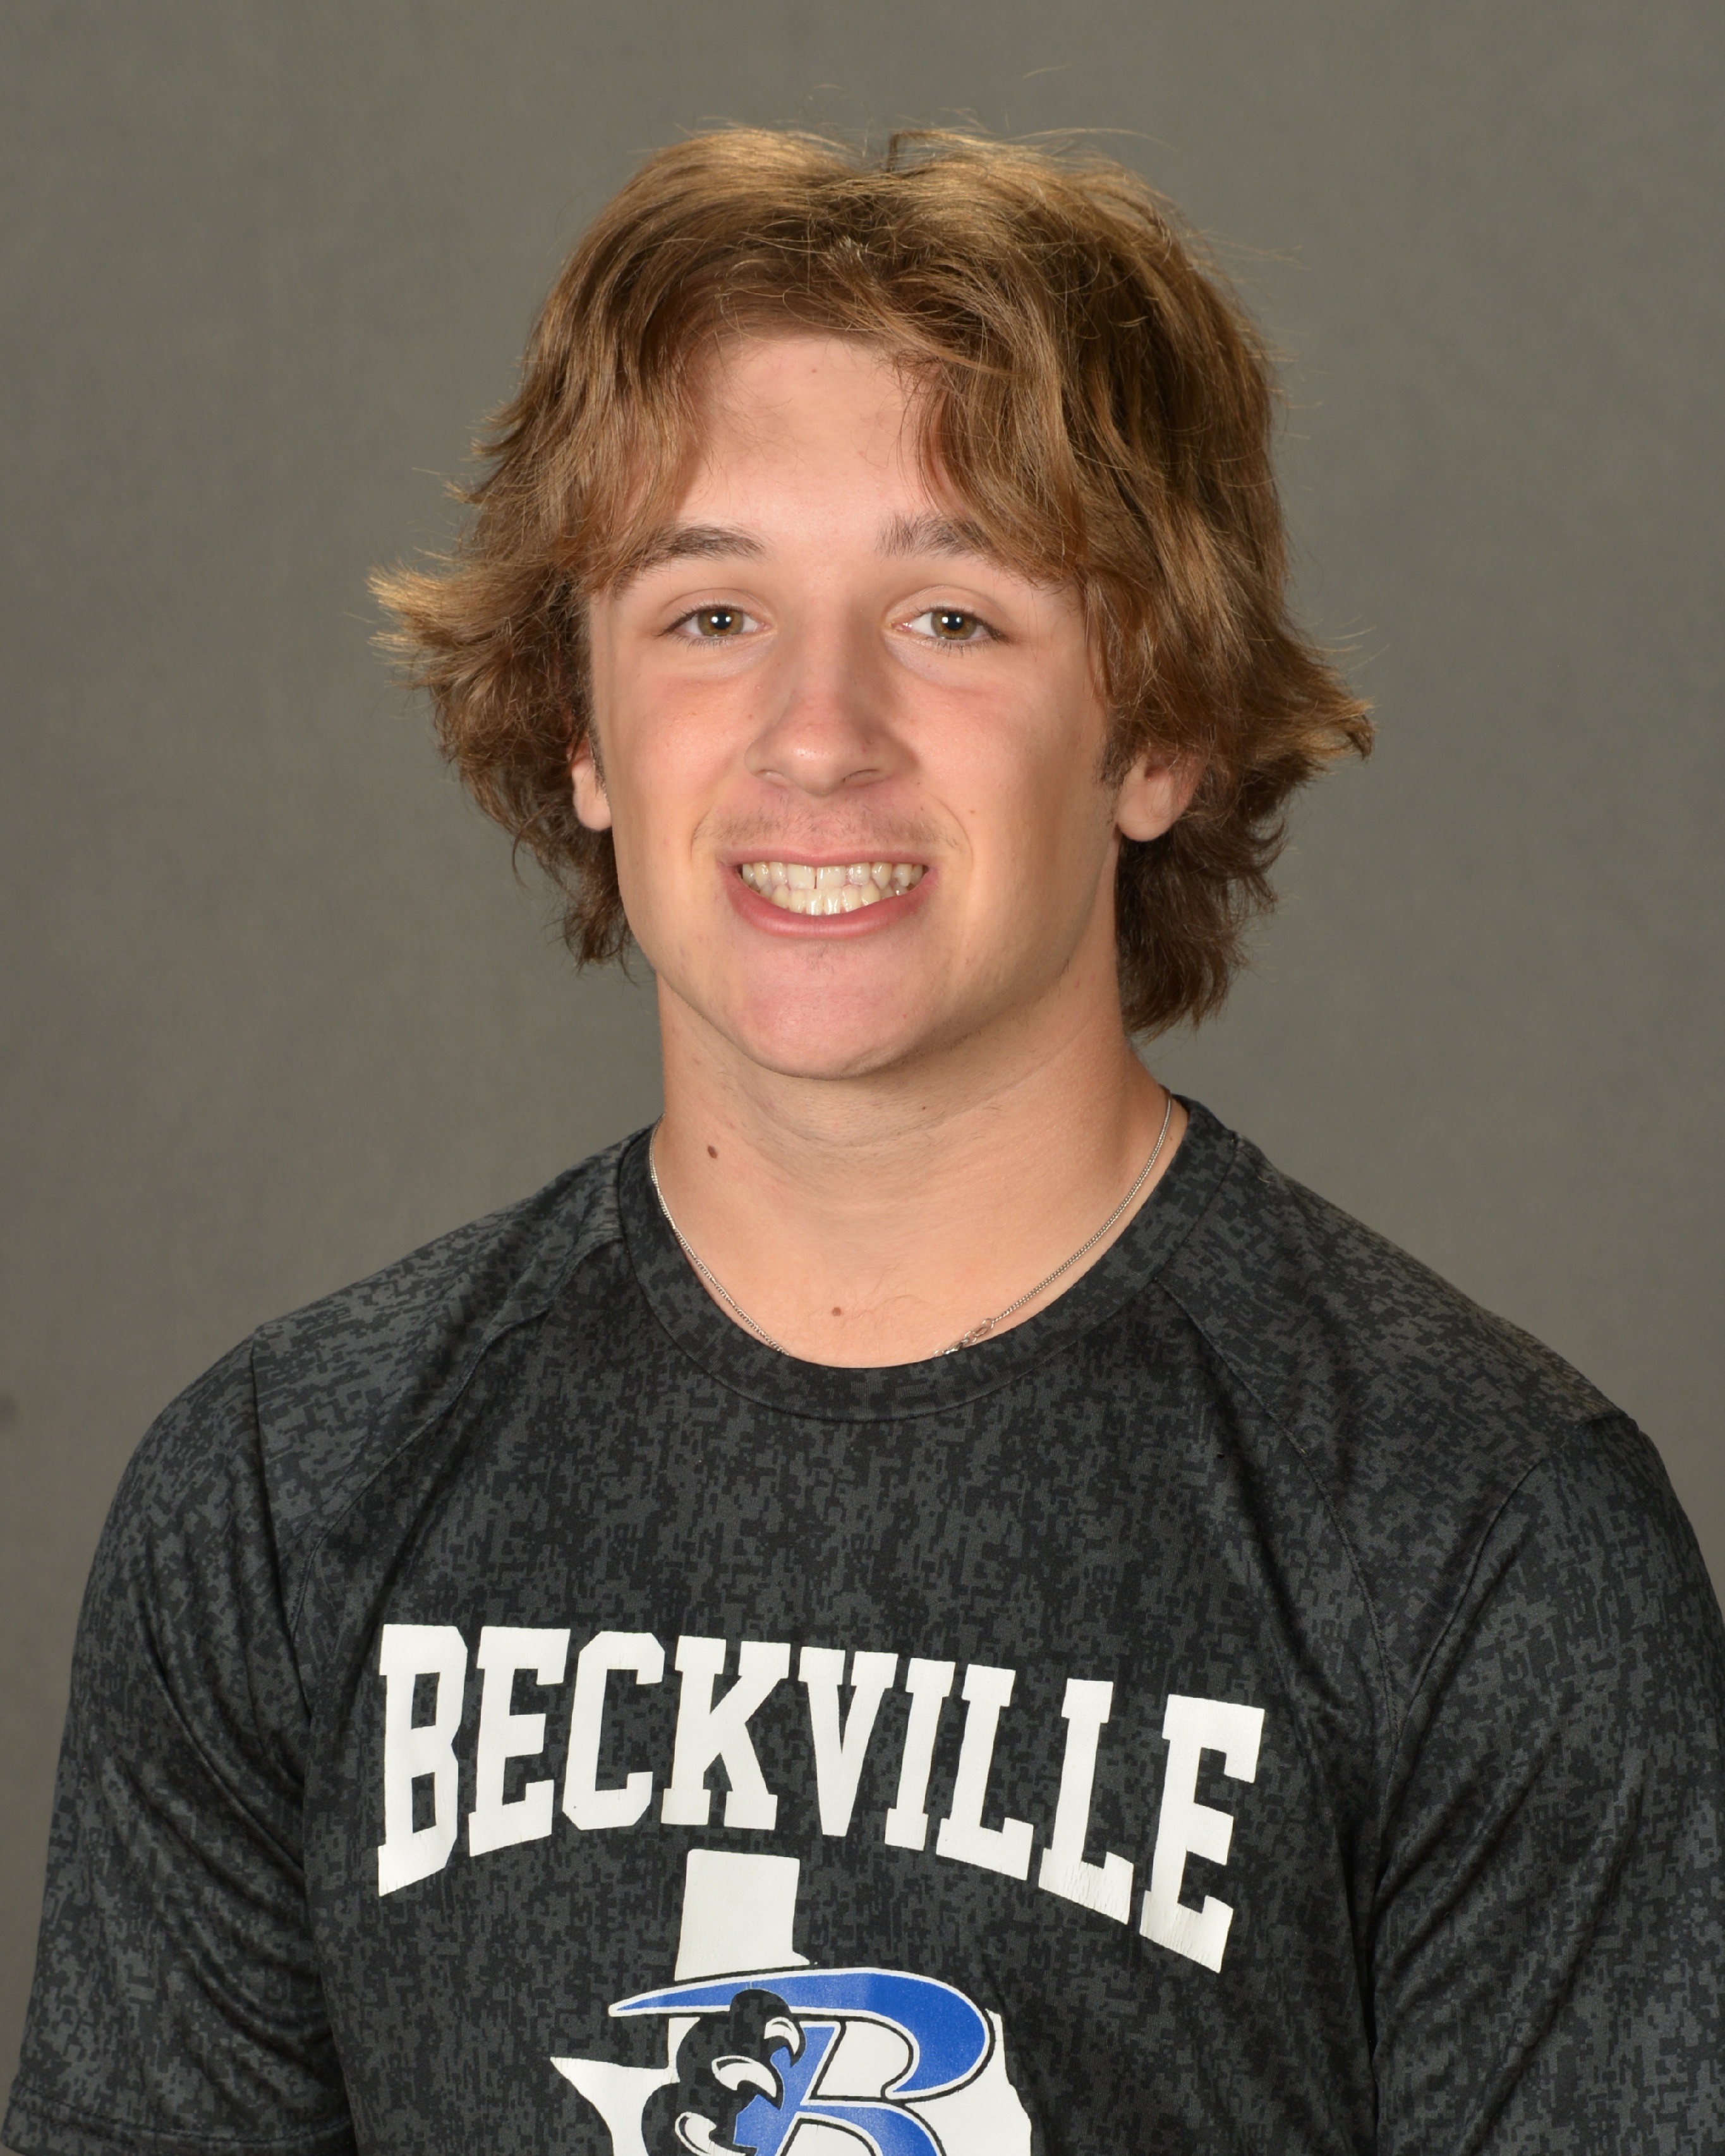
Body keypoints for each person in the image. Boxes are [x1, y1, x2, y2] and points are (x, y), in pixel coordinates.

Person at [6, 126, 1721, 2156]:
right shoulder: (283, 1499)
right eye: (710, 613)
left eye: (951, 617)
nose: (817, 735)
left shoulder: (1484, 1540)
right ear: (580, 726)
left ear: (1158, 726)